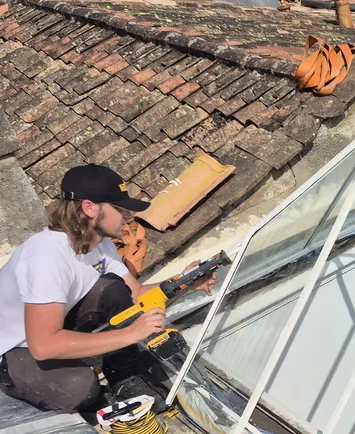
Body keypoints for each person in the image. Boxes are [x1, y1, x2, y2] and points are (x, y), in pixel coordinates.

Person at [0, 164, 216, 416]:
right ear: (89, 208)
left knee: (113, 289)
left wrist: (183, 282)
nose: (129, 217)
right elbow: (43, 345)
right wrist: (131, 334)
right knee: (80, 387)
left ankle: (124, 379)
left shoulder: (98, 243)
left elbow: (134, 295)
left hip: (46, 330)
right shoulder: (46, 258)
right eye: (120, 209)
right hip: (13, 349)